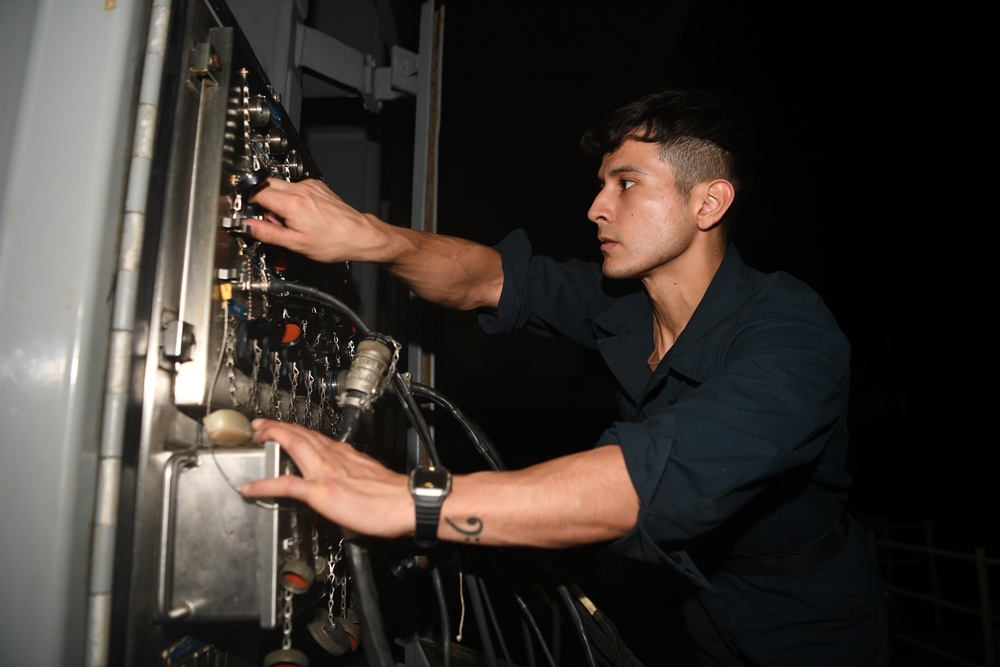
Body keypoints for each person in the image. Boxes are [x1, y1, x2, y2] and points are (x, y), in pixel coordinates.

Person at [239, 88, 890, 665]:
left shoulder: (791, 332)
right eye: (601, 184)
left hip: (808, 611)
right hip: (698, 596)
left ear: (709, 202)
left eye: (627, 184)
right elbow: (487, 278)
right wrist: (367, 236)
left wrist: (411, 501)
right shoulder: (622, 301)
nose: (596, 208)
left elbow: (657, 476)